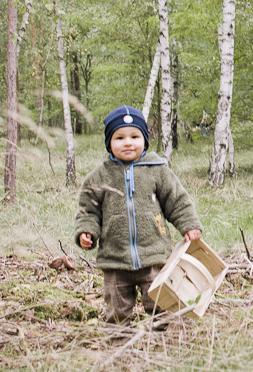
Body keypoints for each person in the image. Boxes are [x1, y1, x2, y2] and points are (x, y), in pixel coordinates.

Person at [75, 105, 203, 325]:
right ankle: (120, 345)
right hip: (115, 258)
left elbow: (177, 200)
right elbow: (88, 209)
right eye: (119, 137)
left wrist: (189, 225)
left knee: (160, 303)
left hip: (153, 255)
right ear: (109, 143)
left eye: (134, 136)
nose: (127, 142)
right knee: (117, 309)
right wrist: (86, 231)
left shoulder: (157, 169)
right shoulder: (100, 176)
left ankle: (162, 340)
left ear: (144, 139)